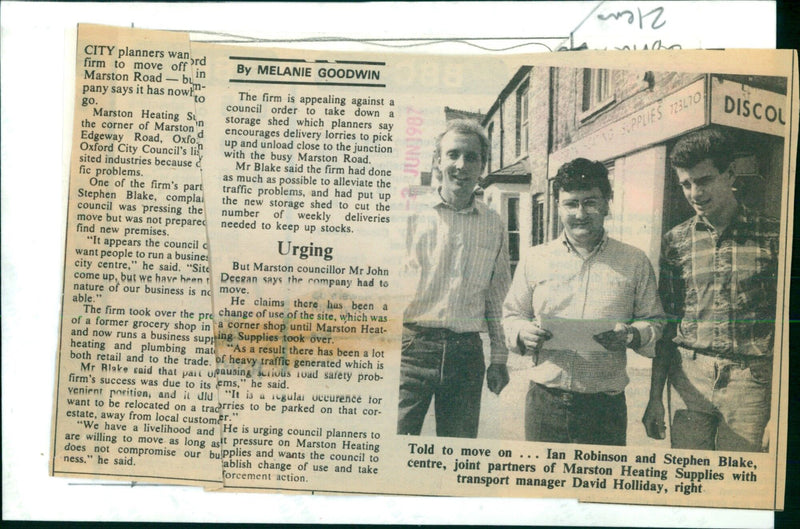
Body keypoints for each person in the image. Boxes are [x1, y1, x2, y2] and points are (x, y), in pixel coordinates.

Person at [503, 158, 664, 446]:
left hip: (605, 409)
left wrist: (631, 334)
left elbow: (654, 320)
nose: (580, 213)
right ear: (558, 206)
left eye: (590, 202)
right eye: (571, 203)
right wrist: (521, 332)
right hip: (545, 404)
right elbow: (512, 315)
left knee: (598, 492)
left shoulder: (634, 261)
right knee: (544, 488)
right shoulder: (534, 259)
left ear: (607, 203)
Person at [642, 127, 778, 452]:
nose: (694, 193)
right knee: (690, 482)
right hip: (689, 378)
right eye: (686, 184)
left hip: (751, 385)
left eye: (703, 180)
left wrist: (781, 410)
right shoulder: (675, 241)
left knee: (737, 485)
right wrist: (654, 397)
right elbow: (668, 322)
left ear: (729, 173)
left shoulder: (773, 236)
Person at [397, 119, 511, 438]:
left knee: (456, 454)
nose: (461, 165)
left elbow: (497, 297)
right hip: (412, 348)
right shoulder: (412, 216)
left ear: (482, 167)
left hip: (466, 355)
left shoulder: (494, 224)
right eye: (453, 155)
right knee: (395, 446)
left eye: (471, 157)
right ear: (437, 162)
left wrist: (499, 358)